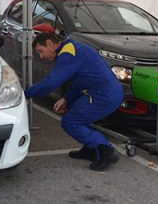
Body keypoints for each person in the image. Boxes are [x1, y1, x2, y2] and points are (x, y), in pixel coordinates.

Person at [24, 32, 123, 171]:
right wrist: (66, 99)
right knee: (77, 115)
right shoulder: (72, 47)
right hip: (107, 92)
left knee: (71, 122)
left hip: (104, 95)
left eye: (41, 51)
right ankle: (90, 149)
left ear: (50, 43)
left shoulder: (68, 54)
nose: (42, 57)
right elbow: (79, 81)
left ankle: (106, 150)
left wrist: (25, 94)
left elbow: (51, 82)